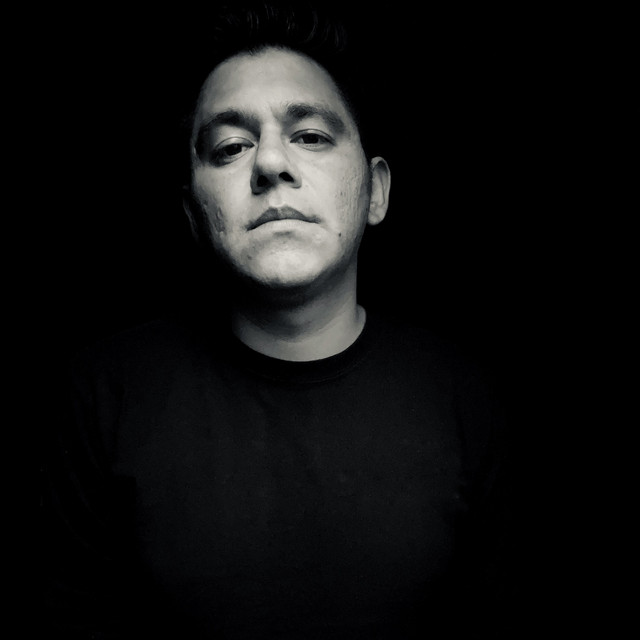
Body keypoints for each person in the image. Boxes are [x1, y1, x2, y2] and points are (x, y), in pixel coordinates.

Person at [42, 2, 517, 638]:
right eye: (231, 147)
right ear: (192, 215)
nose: (270, 164)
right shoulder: (104, 395)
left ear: (375, 191)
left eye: (311, 136)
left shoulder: (469, 397)